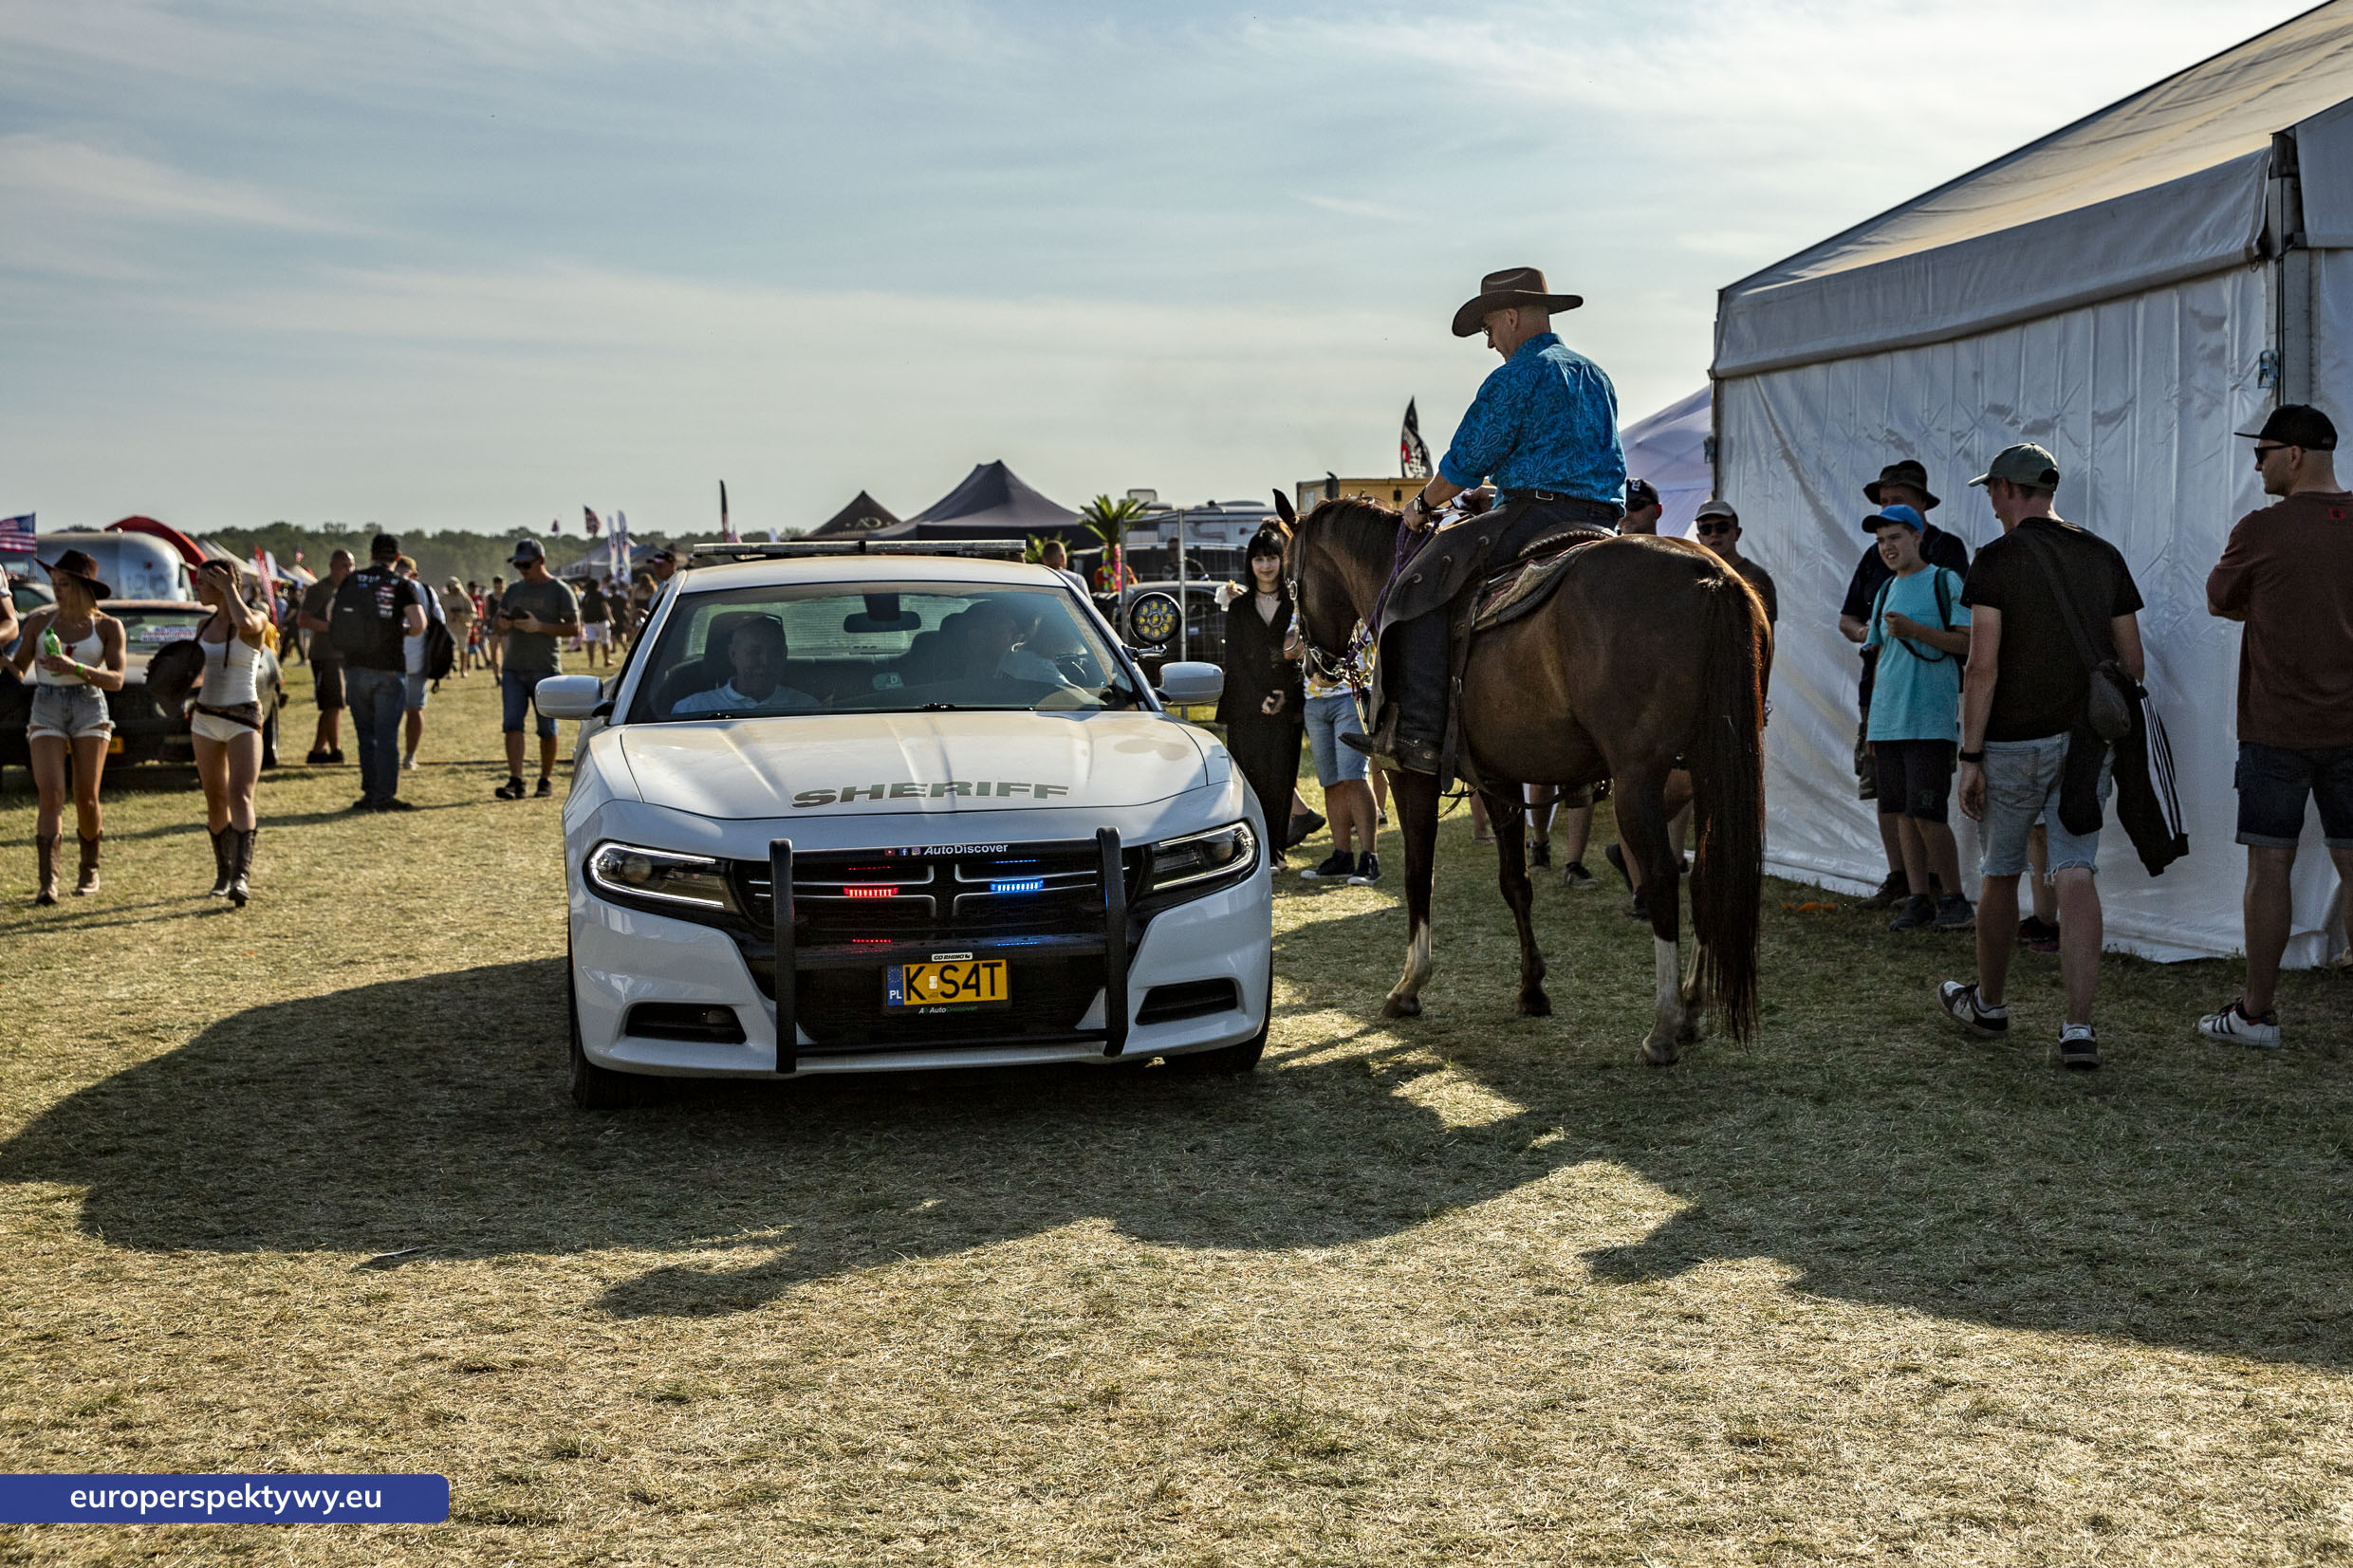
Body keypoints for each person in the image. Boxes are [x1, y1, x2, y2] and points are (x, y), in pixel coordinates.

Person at [1347, 267, 1624, 775]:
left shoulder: (1516, 375)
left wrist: (1423, 506)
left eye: (1489, 329)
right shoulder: (1595, 374)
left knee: (1419, 588)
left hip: (1533, 517)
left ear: (1512, 317)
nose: (1489, 342)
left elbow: (1464, 461)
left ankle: (1420, 736)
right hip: (1604, 522)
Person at [1939, 444, 2144, 1071]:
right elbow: (2132, 664)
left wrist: (1969, 753)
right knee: (2076, 870)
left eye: (1991, 491)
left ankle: (1991, 1005)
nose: (1991, 503)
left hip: (2010, 743)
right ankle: (2078, 1027)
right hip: (2085, 744)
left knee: (2001, 873)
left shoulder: (1996, 559)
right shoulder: (2102, 553)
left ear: (2006, 488)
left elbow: (1982, 666)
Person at [2198, 403, 2353, 1048]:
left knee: (2270, 869)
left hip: (2275, 727)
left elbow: (2217, 597)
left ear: (2293, 454)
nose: (2255, 462)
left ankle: (2256, 1015)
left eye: (2261, 451)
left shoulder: (2261, 529)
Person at [1840, 460, 1972, 908]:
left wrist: (1916, 630)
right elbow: (1867, 642)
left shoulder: (1946, 571)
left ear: (1919, 531)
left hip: (1928, 714)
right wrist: (1875, 721)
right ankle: (1913, 893)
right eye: (1880, 538)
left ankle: (1950, 896)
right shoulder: (1883, 588)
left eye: (1895, 534)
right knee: (1895, 806)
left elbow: (1966, 641)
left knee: (1926, 810)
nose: (1886, 546)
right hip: (1887, 716)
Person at [9, 550, 125, 902]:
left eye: (64, 584)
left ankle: (89, 870)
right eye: (54, 583)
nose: (56, 590)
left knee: (86, 796)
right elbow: (18, 670)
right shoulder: (38, 621)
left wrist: (73, 668)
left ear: (83, 588)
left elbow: (117, 680)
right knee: (51, 793)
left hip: (89, 703)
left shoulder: (107, 626)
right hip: (46, 703)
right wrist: (3, 659)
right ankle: (49, 882)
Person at [1218, 527, 1306, 871]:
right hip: (1246, 708)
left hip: (1288, 706)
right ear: (1249, 563)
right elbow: (1235, 663)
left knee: (1281, 779)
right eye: (1259, 558)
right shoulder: (1238, 608)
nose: (1266, 565)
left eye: (1272, 557)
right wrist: (1259, 699)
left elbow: (1302, 656)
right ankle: (1252, 853)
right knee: (1250, 780)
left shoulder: (1296, 603)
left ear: (1282, 561)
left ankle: (1276, 852)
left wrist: (1284, 694)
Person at [189, 559, 269, 906]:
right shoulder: (203, 625)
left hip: (243, 715)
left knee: (240, 795)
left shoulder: (255, 617)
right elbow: (193, 671)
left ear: (224, 584)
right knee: (215, 798)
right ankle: (222, 873)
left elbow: (248, 624)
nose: (197, 588)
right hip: (205, 717)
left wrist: (229, 590)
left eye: (204, 583)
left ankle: (241, 876)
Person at [330, 533, 426, 812]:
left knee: (365, 734)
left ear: (371, 554)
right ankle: (385, 795)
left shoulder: (352, 580)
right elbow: (419, 624)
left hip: (355, 667)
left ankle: (369, 792)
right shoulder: (402, 584)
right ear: (396, 558)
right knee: (386, 736)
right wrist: (400, 631)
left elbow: (331, 615)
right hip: (389, 668)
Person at [1288, 619, 1380, 885]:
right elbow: (1290, 645)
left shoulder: (1352, 598)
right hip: (1314, 702)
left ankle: (1369, 858)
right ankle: (1342, 856)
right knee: (1331, 782)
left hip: (1351, 696)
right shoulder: (1304, 601)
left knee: (1353, 777)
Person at [494, 536, 580, 800]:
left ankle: (545, 779)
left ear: (541, 561)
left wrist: (540, 626)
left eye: (526, 565)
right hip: (514, 668)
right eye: (518, 565)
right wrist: (504, 623)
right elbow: (497, 621)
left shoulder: (559, 590)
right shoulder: (514, 590)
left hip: (545, 668)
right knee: (512, 725)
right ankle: (516, 781)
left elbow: (575, 628)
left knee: (547, 729)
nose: (522, 570)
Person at [673, 618, 819, 714]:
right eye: (755, 652)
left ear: (785, 654)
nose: (766, 661)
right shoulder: (691, 709)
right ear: (733, 655)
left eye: (775, 651)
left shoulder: (807, 708)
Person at [296, 548, 353, 765]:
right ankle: (335, 751)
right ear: (333, 566)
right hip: (325, 654)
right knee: (333, 704)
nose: (349, 570)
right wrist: (333, 628)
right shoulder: (320, 590)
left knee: (334, 704)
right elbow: (303, 620)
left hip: (342, 653)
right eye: (345, 566)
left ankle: (317, 751)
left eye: (351, 566)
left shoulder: (349, 589)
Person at [1692, 500, 1779, 625]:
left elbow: (1766, 632)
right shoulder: (1693, 576)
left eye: (1722, 528)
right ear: (1699, 537)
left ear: (1737, 533)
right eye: (1706, 529)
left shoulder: (1756, 577)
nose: (1714, 534)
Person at [397, 556, 442, 771]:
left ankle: (389, 755)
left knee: (386, 711)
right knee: (415, 710)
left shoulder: (388, 586)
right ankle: (410, 756)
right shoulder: (426, 591)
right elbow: (439, 622)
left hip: (389, 660)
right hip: (417, 658)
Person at [440, 577, 476, 678]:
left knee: (463, 650)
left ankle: (463, 670)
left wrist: (462, 614)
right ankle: (449, 671)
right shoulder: (444, 598)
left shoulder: (464, 597)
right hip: (449, 627)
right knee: (449, 650)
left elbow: (473, 613)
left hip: (463, 628)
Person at [577, 576, 613, 668]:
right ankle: (606, 660)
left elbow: (582, 610)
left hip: (589, 621)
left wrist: (581, 621)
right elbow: (605, 607)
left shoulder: (586, 596)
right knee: (605, 641)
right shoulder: (599, 594)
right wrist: (611, 618)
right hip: (601, 620)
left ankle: (591, 662)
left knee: (591, 640)